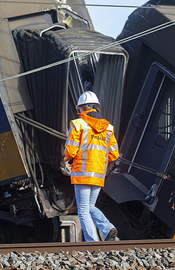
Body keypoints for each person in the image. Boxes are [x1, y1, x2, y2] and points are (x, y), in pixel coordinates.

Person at [63, 91, 119, 241]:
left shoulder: (78, 124)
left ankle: (92, 243)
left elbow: (70, 150)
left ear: (82, 108)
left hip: (82, 173)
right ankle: (108, 229)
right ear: (96, 108)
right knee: (90, 206)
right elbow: (114, 154)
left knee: (82, 210)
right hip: (98, 174)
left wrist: (66, 158)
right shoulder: (108, 128)